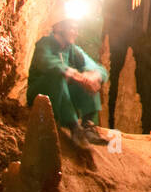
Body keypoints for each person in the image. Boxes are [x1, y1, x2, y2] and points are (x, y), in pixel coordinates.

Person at [27, 18, 110, 147]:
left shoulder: (72, 49)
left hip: (61, 95)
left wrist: (94, 76)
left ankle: (87, 126)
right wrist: (73, 74)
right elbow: (47, 63)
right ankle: (74, 127)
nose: (76, 33)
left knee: (88, 76)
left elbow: (100, 69)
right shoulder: (45, 43)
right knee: (59, 75)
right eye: (72, 28)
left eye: (77, 29)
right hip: (41, 95)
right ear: (59, 27)